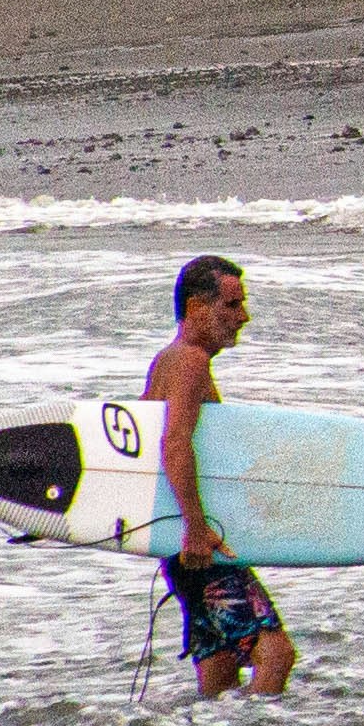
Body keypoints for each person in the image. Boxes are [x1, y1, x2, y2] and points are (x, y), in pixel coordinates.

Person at [146, 254, 293, 698]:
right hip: (195, 541)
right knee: (276, 655)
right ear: (196, 308)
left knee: (220, 669)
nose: (243, 316)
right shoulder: (189, 362)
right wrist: (196, 528)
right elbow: (173, 444)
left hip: (178, 544)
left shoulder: (170, 360)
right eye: (232, 304)